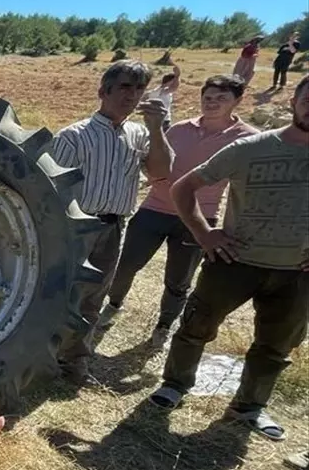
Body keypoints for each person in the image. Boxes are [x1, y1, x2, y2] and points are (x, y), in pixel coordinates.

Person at [150, 75, 309, 443]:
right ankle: (175, 384)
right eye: (308, 98)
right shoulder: (250, 148)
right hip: (234, 260)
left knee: (274, 346)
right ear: (293, 102)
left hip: (296, 272)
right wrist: (205, 234)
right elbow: (183, 187)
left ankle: (250, 406)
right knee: (196, 326)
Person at [100, 74, 258, 348]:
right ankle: (113, 304)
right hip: (154, 209)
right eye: (208, 97)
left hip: (197, 219)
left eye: (221, 98)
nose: (212, 103)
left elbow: (248, 188)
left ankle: (163, 325)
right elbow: (156, 160)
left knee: (178, 279)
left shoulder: (249, 140)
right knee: (126, 265)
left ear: (238, 101)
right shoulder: (180, 129)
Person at [49, 60, 174, 383]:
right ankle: (42, 358)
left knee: (93, 298)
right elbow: (49, 187)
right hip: (74, 226)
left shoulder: (139, 135)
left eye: (138, 89)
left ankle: (73, 364)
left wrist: (158, 128)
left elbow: (160, 172)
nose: (131, 96)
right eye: (124, 87)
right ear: (103, 91)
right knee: (58, 293)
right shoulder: (75, 136)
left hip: (113, 226)